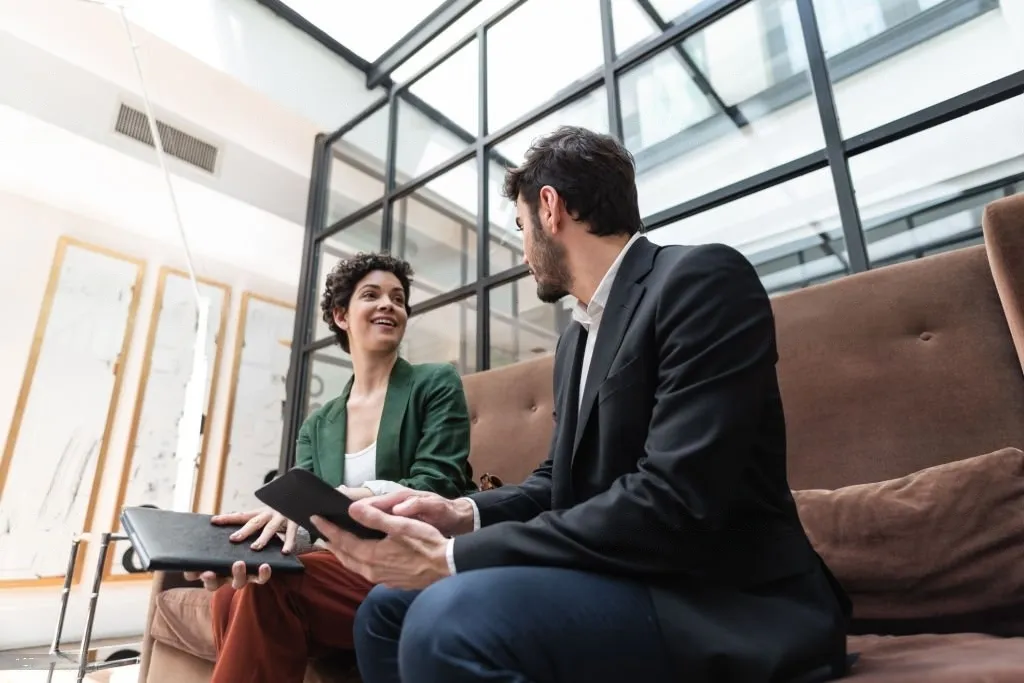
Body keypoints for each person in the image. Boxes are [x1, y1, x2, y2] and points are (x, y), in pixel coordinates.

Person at [307, 126, 854, 683]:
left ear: (549, 209)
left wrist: (450, 560)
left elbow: (673, 501)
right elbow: (557, 483)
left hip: (723, 600)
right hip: (621, 576)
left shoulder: (702, 280)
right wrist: (459, 514)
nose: (523, 250)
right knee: (383, 613)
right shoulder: (576, 337)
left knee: (445, 620)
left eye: (520, 226)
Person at [183, 252, 476, 683]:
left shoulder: (434, 383)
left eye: (398, 298)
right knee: (233, 591)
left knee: (273, 590)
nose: (388, 305)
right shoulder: (318, 424)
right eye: (371, 295)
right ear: (341, 315)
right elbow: (304, 520)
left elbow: (436, 484)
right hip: (340, 564)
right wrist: (242, 546)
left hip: (410, 559)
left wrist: (338, 501)